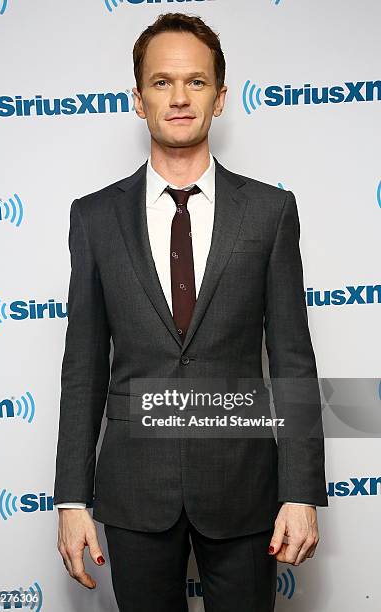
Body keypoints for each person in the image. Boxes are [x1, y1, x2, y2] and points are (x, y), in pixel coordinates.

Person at [53, 12, 328, 611]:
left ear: (221, 97)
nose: (179, 98)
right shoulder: (94, 217)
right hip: (133, 494)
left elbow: (292, 361)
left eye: (196, 82)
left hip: (246, 493)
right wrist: (72, 500)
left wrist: (301, 492)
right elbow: (83, 370)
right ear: (138, 98)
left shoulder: (270, 212)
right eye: (162, 82)